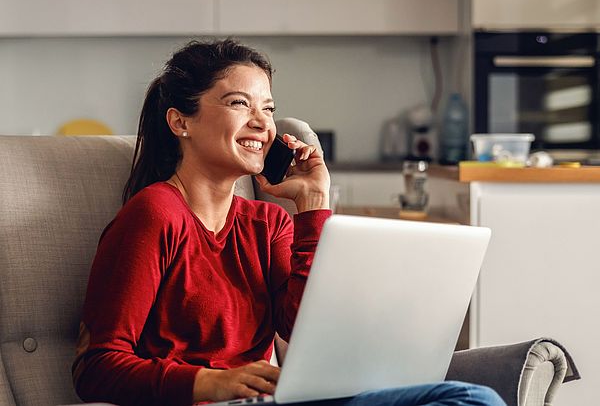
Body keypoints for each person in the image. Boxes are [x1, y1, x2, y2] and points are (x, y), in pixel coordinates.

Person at [72, 39, 506, 406]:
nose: (261, 122)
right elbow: (97, 367)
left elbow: (303, 334)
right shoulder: (155, 214)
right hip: (211, 402)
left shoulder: (267, 223)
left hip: (283, 400)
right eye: (239, 103)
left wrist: (314, 204)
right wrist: (207, 381)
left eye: (268, 107)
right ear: (180, 121)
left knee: (469, 399)